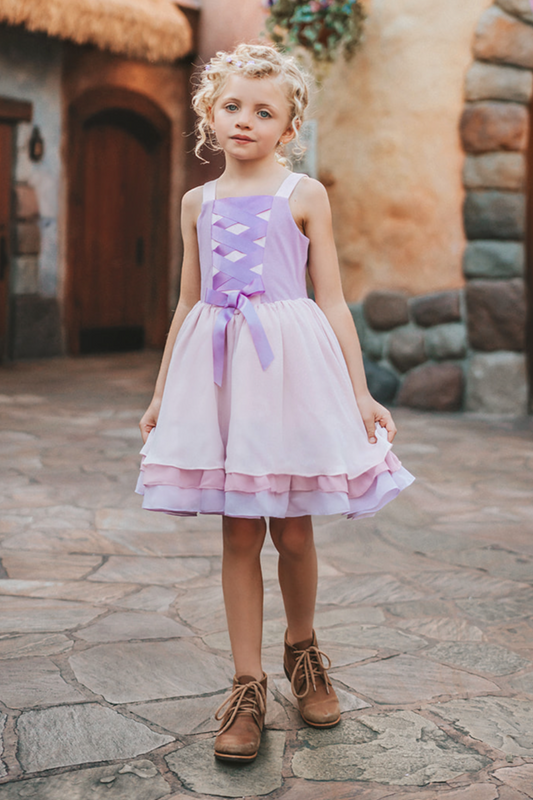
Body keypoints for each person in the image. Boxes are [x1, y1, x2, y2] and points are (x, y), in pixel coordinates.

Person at [137, 43, 414, 764]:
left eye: (264, 112)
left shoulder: (305, 195)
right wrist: (165, 391)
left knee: (291, 533)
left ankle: (301, 649)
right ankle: (246, 684)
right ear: (210, 113)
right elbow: (188, 299)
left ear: (288, 128)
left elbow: (330, 300)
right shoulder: (194, 202)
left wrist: (357, 392)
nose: (245, 121)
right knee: (236, 536)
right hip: (222, 380)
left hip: (290, 377)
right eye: (232, 106)